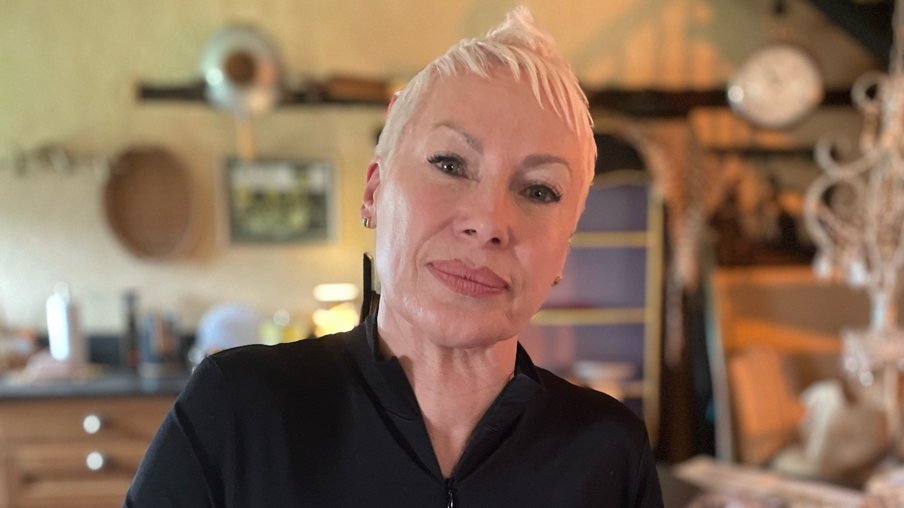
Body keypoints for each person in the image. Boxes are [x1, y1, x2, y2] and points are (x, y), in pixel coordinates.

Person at [123, 7, 663, 508]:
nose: (489, 223)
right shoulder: (238, 412)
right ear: (374, 191)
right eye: (451, 164)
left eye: (540, 191)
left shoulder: (610, 452)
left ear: (563, 250)